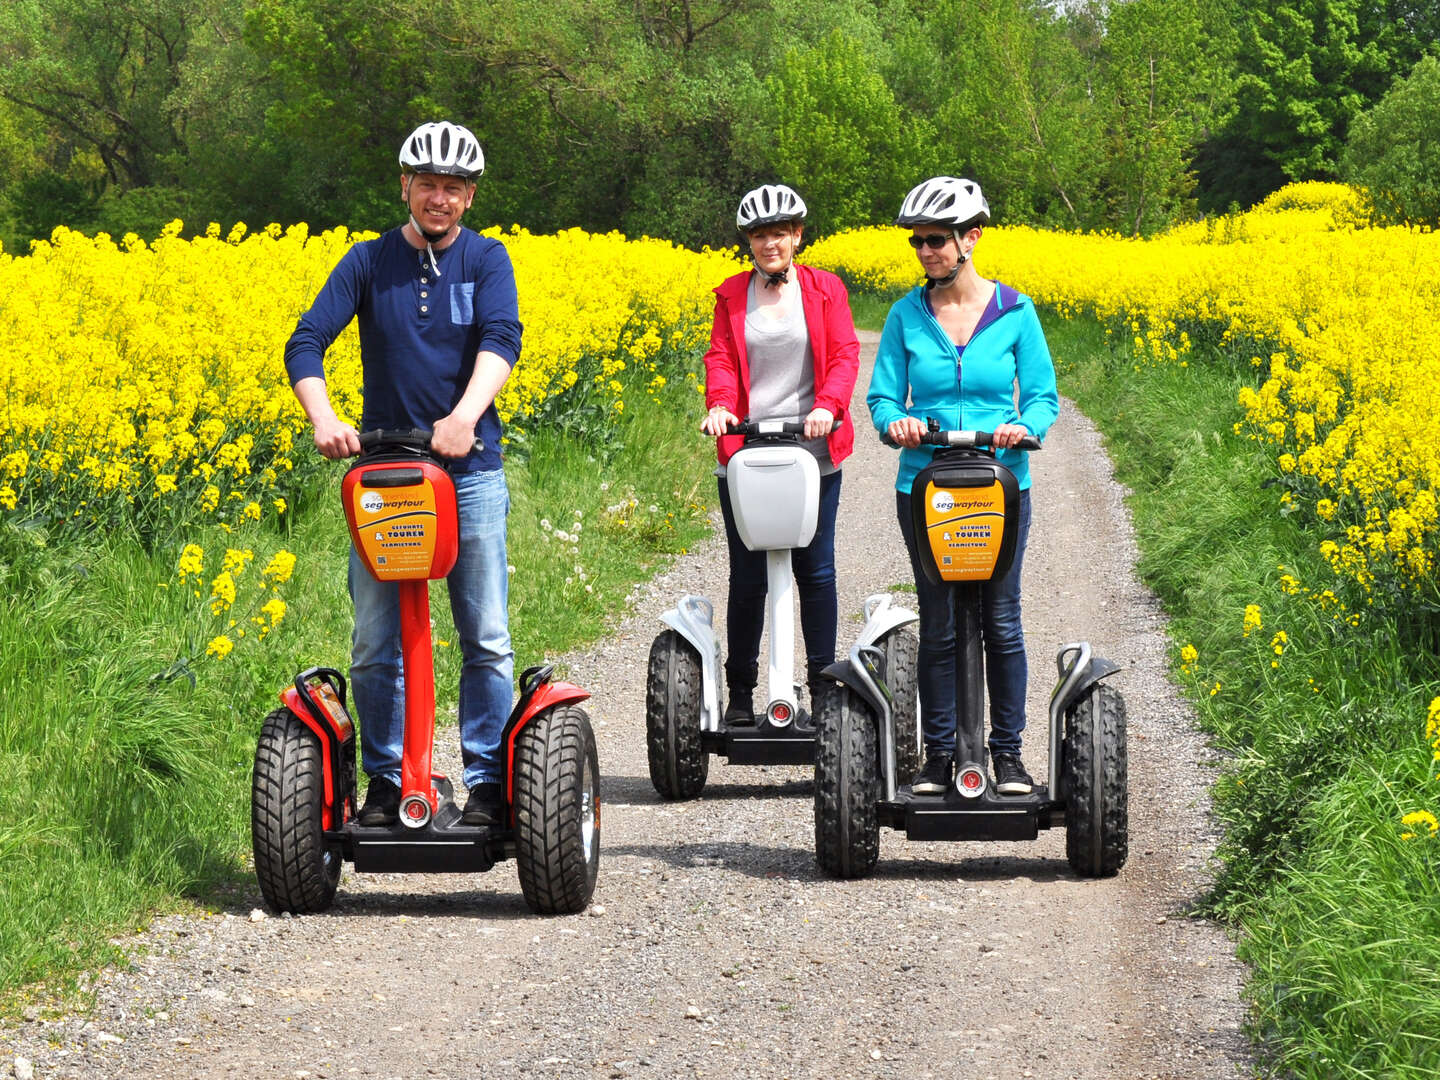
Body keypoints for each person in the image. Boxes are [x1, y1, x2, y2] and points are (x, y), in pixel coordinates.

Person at [284, 121, 521, 827]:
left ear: (469, 196)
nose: (439, 198)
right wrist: (324, 418)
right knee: (374, 639)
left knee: (485, 634)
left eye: (452, 188)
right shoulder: (367, 261)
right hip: (384, 476)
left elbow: (502, 340)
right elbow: (306, 340)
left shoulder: (487, 260)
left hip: (469, 473)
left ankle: (485, 786)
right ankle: (386, 783)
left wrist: (465, 417)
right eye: (427, 185)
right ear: (405, 187)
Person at [866, 177, 1059, 796]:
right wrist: (893, 420)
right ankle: (939, 755)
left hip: (1001, 482)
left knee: (1002, 621)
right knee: (941, 621)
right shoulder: (905, 315)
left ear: (971, 238)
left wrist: (1023, 426)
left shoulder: (1015, 312)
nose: (925, 252)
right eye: (917, 242)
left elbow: (1041, 395)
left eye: (937, 240)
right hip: (925, 482)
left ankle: (1007, 755)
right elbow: (881, 396)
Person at [700, 183, 860, 722]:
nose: (770, 243)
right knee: (747, 576)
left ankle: (824, 695)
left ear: (797, 236)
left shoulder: (824, 290)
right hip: (746, 454)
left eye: (779, 233)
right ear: (749, 241)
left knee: (816, 572)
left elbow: (843, 354)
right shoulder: (730, 295)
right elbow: (720, 358)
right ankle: (741, 697)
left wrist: (830, 405)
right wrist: (720, 405)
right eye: (759, 235)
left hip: (812, 452)